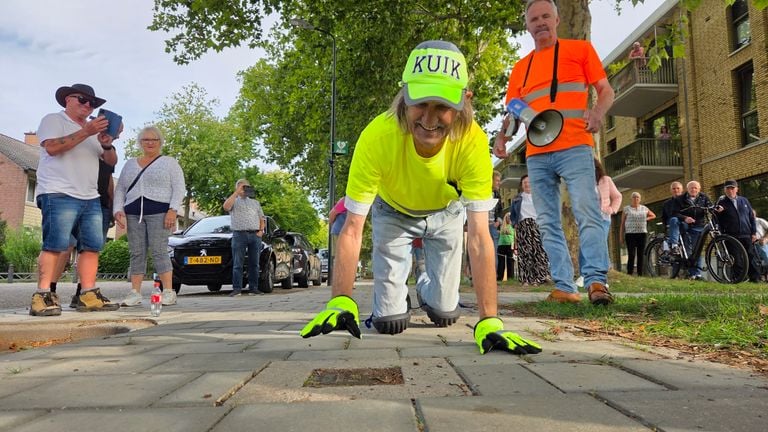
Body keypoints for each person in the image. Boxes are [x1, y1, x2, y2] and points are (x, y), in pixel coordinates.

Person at [300, 40, 541, 356]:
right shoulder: (376, 138)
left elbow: (481, 237)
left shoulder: (472, 143)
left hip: (446, 214)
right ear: (403, 96)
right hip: (394, 213)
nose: (429, 119)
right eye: (420, 104)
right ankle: (398, 297)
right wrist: (341, 299)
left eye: (441, 107)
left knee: (445, 312)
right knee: (389, 321)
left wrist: (489, 321)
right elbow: (353, 227)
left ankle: (428, 289)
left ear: (463, 101)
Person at [493, 0, 616, 305]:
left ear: (557, 19)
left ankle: (597, 282)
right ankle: (565, 287)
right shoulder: (521, 67)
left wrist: (599, 113)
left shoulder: (580, 50)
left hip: (576, 145)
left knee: (587, 213)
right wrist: (502, 138)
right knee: (547, 222)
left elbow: (605, 89)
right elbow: (514, 112)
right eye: (534, 19)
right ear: (528, 26)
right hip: (537, 153)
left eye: (546, 16)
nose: (540, 22)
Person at [31, 83, 120, 316]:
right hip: (59, 192)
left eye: (92, 103)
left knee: (91, 247)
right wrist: (87, 132)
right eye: (82, 99)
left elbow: (110, 161)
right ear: (68, 99)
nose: (88, 105)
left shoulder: (91, 131)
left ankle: (88, 294)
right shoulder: (54, 120)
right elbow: (51, 148)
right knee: (55, 245)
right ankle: (42, 296)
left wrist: (106, 142)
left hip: (90, 196)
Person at [114, 126, 186, 306]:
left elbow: (179, 187)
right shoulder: (130, 164)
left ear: (160, 142)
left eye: (154, 140)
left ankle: (168, 291)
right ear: (140, 143)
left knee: (159, 250)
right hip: (133, 212)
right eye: (146, 140)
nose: (150, 143)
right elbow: (121, 188)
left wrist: (173, 209)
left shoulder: (169, 163)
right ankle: (135, 293)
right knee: (136, 252)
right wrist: (118, 210)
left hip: (160, 212)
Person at [222, 178, 266, 296]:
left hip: (254, 235)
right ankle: (237, 289)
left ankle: (254, 288)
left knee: (254, 263)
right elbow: (226, 207)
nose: (245, 189)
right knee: (237, 263)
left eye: (247, 187)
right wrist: (237, 192)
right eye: (242, 187)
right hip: (239, 235)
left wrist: (261, 231)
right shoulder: (234, 201)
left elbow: (261, 217)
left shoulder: (255, 203)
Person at [714, 179, 759, 282]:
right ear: (725, 190)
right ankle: (739, 279)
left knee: (751, 257)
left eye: (732, 188)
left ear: (737, 189)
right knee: (736, 259)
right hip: (731, 236)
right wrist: (721, 234)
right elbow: (716, 220)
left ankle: (755, 279)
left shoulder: (744, 200)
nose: (730, 190)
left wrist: (753, 233)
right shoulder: (721, 202)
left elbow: (751, 218)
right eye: (728, 188)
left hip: (746, 234)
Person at [509, 175, 550, 287]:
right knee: (524, 253)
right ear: (521, 185)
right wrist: (514, 224)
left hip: (537, 226)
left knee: (539, 251)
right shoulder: (517, 198)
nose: (527, 184)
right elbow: (512, 214)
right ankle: (526, 279)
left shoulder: (539, 197)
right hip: (523, 226)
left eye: (529, 182)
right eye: (524, 182)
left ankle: (540, 277)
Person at [673, 180, 713, 280]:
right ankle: (694, 273)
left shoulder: (703, 197)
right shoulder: (680, 199)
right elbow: (675, 213)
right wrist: (685, 218)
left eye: (695, 188)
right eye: (691, 188)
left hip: (700, 226)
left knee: (697, 251)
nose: (693, 189)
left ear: (699, 189)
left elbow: (710, 206)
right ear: (687, 189)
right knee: (691, 250)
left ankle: (696, 274)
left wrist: (717, 208)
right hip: (687, 227)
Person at [620, 192, 656, 276]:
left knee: (640, 254)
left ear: (640, 199)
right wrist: (621, 236)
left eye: (637, 197)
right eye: (634, 197)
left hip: (642, 233)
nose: (636, 199)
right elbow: (622, 223)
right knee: (631, 254)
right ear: (631, 199)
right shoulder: (626, 209)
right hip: (630, 234)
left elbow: (653, 215)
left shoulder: (644, 208)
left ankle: (640, 274)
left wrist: (646, 218)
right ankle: (629, 273)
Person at [661, 181, 685, 254]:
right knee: (673, 220)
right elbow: (664, 217)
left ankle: (667, 243)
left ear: (682, 189)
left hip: (684, 225)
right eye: (674, 189)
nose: (676, 190)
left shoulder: (686, 201)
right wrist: (666, 228)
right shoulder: (666, 203)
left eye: (678, 188)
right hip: (672, 226)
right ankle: (672, 245)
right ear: (671, 190)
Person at [489, 170, 503, 271]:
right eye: (497, 180)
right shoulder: (483, 192)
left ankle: (492, 276)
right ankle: (477, 278)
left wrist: (498, 221)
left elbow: (500, 210)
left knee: (494, 251)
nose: (499, 183)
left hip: (492, 226)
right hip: (481, 226)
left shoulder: (497, 194)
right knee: (481, 251)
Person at [497, 212, 515, 282]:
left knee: (510, 262)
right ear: (505, 218)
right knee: (501, 262)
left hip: (510, 245)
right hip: (502, 245)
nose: (509, 218)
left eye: (510, 217)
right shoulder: (502, 226)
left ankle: (510, 278)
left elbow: (515, 236)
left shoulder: (513, 226)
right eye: (508, 217)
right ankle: (500, 277)